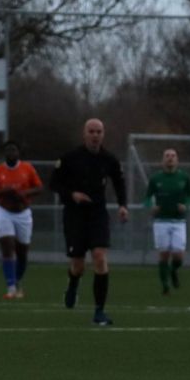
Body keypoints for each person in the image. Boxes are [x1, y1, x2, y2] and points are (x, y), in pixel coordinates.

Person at [51, 118, 129, 325]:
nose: (95, 135)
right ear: (84, 134)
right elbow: (54, 183)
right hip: (74, 215)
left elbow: (119, 183)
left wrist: (122, 205)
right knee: (78, 266)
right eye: (91, 131)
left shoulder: (109, 159)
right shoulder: (70, 158)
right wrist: (72, 194)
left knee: (99, 257)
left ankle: (99, 312)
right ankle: (73, 284)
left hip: (97, 214)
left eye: (99, 132)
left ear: (103, 134)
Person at [0, 140, 43, 299]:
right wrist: (5, 191)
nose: (11, 153)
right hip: (4, 212)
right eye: (8, 150)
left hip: (23, 213)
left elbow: (39, 188)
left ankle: (17, 280)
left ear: (18, 152)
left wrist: (24, 193)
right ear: (4, 153)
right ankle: (10, 286)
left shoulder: (27, 168)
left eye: (14, 150)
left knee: (22, 252)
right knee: (7, 246)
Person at [144, 148, 190, 295]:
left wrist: (186, 205)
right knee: (164, 254)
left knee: (178, 256)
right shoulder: (156, 179)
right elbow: (147, 197)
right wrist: (151, 206)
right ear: (163, 160)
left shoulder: (184, 177)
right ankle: (165, 285)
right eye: (167, 156)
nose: (170, 158)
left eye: (173, 156)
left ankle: (173, 270)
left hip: (178, 221)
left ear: (177, 160)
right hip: (161, 221)